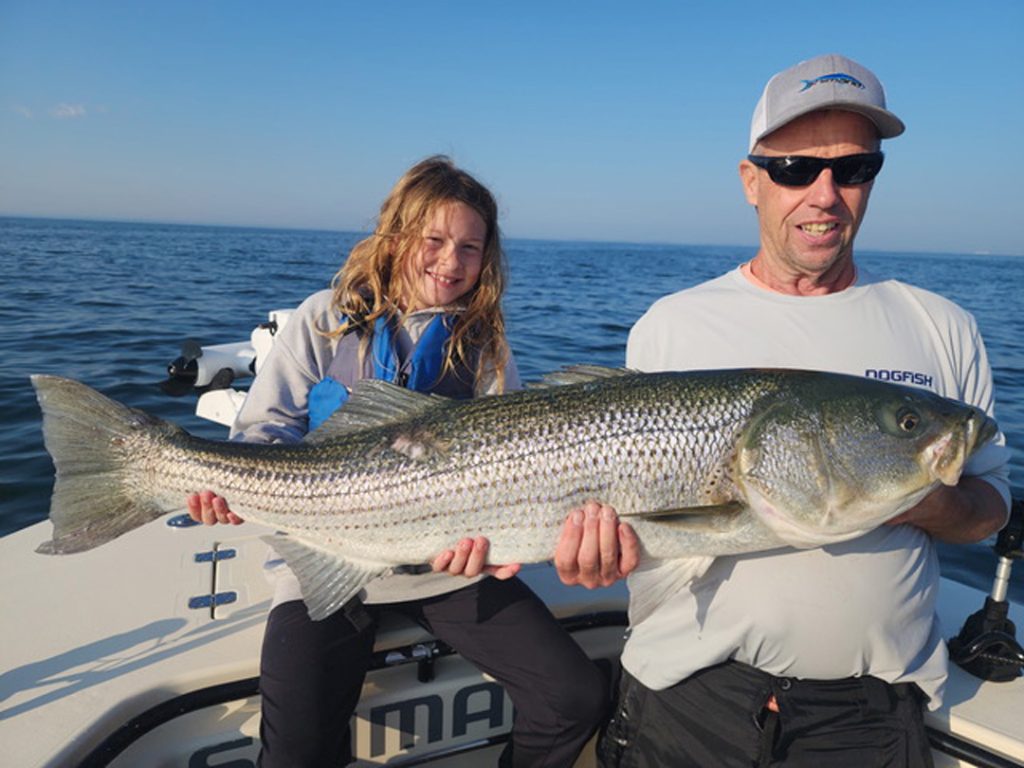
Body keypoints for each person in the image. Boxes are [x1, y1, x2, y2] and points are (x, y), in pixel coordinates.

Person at [549, 54, 1011, 767]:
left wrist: (907, 498)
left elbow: (988, 507)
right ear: (751, 182)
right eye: (796, 168)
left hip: (871, 718)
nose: (825, 194)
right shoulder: (674, 325)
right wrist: (594, 551)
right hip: (688, 700)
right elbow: (645, 522)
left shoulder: (940, 326)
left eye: (855, 169)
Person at [186, 156, 608, 768]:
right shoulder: (323, 320)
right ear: (396, 237)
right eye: (433, 241)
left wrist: (483, 545)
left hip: (444, 567)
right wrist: (227, 487)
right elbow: (263, 433)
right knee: (295, 751)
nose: (450, 261)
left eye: (470, 247)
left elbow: (518, 465)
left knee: (575, 695)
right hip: (325, 552)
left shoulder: (483, 344)